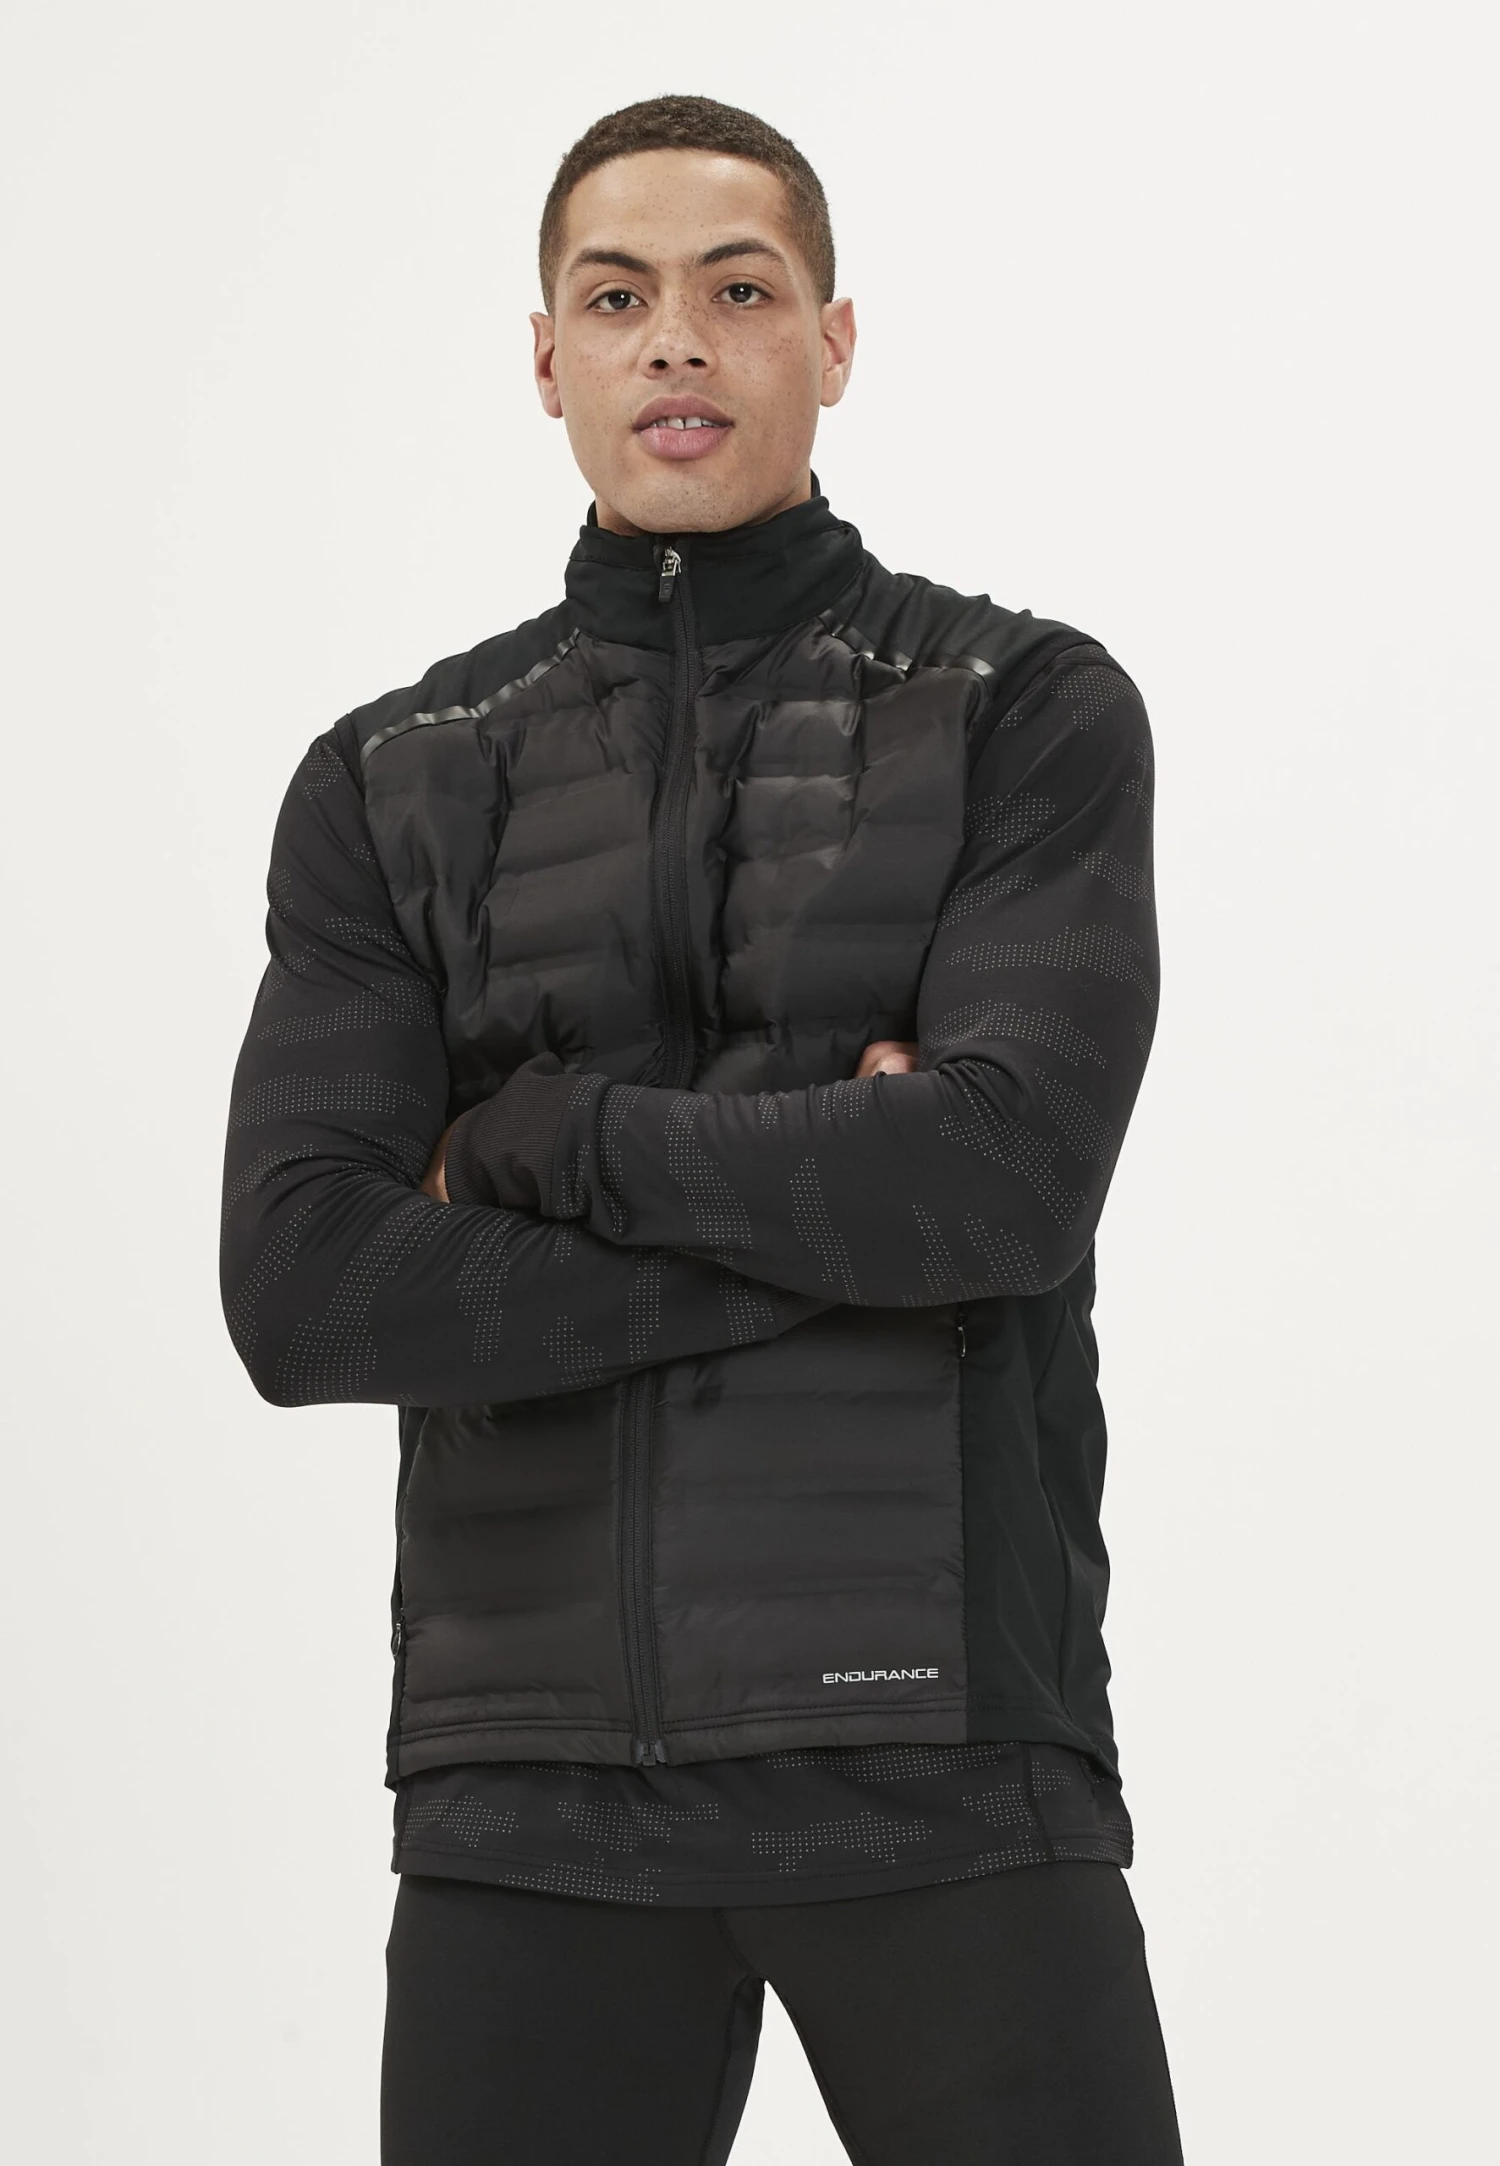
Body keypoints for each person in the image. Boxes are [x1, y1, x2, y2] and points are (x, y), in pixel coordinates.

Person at [220, 92, 1181, 2166]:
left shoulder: (1020, 707)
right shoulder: (386, 780)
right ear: (544, 358)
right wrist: (841, 1218)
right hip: (524, 1786)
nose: (676, 338)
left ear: (833, 342)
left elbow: (1003, 1185)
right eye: (617, 296)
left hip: (938, 1749)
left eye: (738, 291)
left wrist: (534, 1135)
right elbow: (306, 1290)